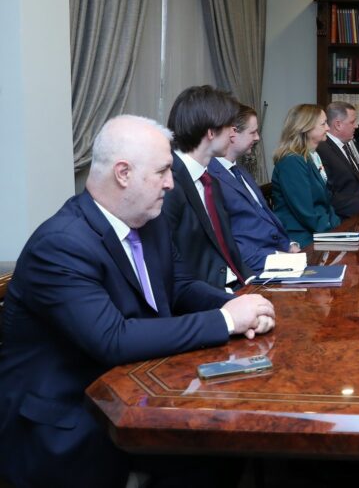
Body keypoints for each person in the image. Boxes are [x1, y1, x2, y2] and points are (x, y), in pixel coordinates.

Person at [0, 115, 275, 488]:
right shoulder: (61, 244)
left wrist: (246, 305)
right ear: (123, 173)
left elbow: (179, 286)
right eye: (162, 171)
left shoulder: (149, 221)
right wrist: (226, 321)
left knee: (226, 441)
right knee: (212, 450)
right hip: (68, 422)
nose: (171, 183)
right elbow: (112, 339)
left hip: (131, 391)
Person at [163, 85, 254, 289]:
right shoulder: (168, 185)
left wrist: (254, 283)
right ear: (211, 132)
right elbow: (172, 268)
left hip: (237, 287)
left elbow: (229, 250)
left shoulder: (211, 182)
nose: (233, 134)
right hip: (205, 295)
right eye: (230, 126)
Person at [208, 104, 299, 273]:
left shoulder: (241, 171)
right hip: (254, 269)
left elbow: (265, 217)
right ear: (233, 133)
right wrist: (277, 258)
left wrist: (289, 245)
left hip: (279, 256)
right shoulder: (211, 177)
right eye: (253, 132)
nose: (257, 138)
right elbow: (227, 241)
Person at [271, 104, 341, 246]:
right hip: (301, 238)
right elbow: (305, 212)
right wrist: (334, 234)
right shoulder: (291, 161)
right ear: (306, 128)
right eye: (323, 124)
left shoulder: (312, 155)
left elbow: (326, 203)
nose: (328, 128)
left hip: (318, 231)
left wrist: (338, 227)